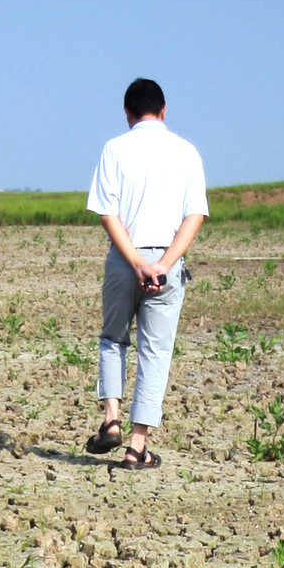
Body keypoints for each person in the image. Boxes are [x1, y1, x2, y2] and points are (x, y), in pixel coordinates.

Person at [85, 79, 207, 471]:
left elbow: (108, 213)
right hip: (166, 265)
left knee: (113, 339)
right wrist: (164, 264)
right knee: (155, 352)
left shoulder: (114, 149)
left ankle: (111, 420)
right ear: (164, 110)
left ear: (128, 113)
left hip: (125, 259)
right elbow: (195, 215)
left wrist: (137, 261)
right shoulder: (187, 152)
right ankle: (137, 447)